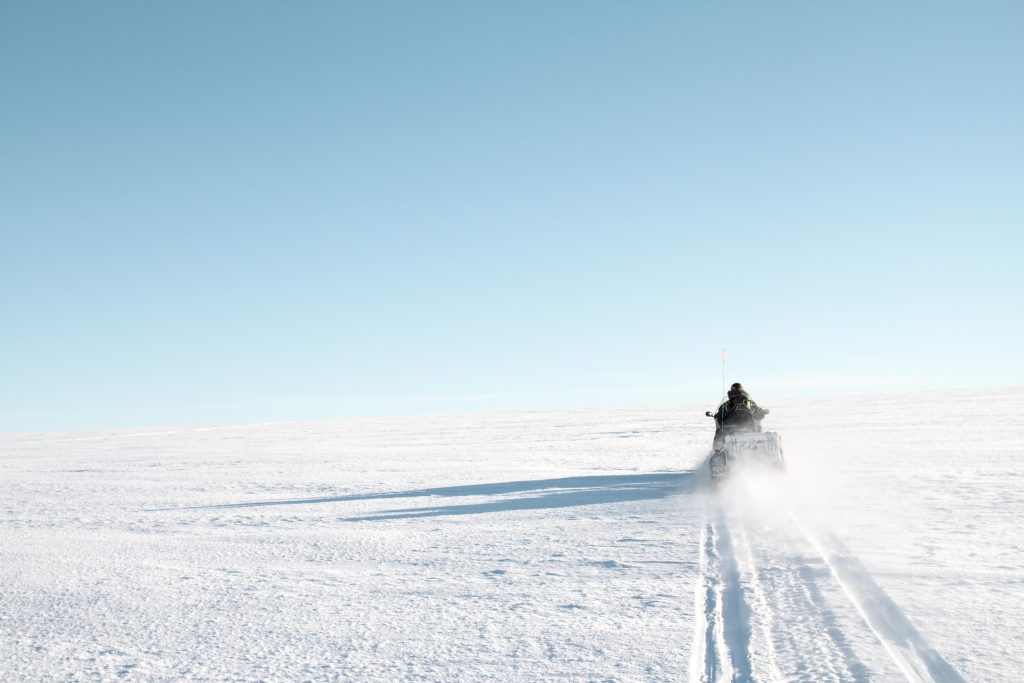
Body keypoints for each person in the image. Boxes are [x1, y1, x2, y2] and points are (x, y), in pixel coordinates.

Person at [711, 382, 768, 449]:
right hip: (749, 429)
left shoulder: (725, 405)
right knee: (758, 427)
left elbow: (719, 418)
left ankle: (716, 451)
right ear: (742, 391)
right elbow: (759, 414)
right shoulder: (749, 402)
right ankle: (761, 449)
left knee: (719, 433)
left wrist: (717, 419)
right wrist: (763, 413)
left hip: (729, 431)